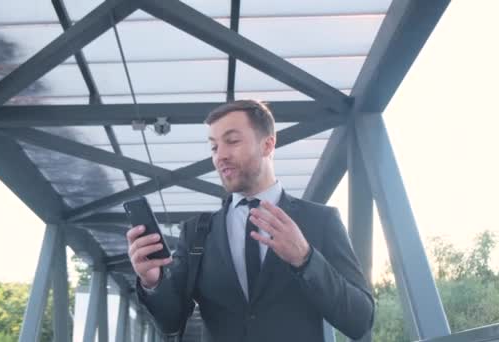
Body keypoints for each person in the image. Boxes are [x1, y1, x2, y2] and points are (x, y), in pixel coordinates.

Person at [126, 100, 374, 341]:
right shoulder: (197, 233)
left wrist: (306, 259)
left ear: (267, 145)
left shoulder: (320, 221)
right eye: (214, 147)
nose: (220, 156)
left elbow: (360, 320)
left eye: (232, 141)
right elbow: (171, 321)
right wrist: (152, 281)